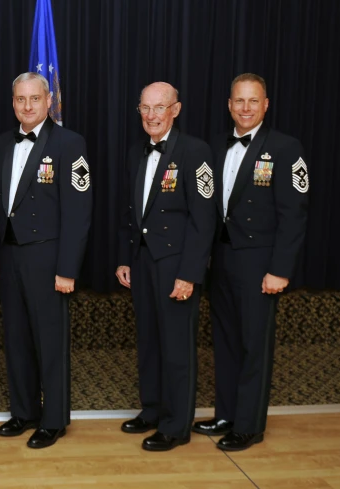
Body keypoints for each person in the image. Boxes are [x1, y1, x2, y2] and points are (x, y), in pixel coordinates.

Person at [193, 73, 309, 451]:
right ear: (229, 105)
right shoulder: (215, 146)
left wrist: (280, 269)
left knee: (253, 346)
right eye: (238, 101)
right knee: (225, 343)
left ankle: (249, 425)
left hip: (261, 264)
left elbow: (294, 215)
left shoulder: (286, 149)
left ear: (266, 105)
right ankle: (226, 413)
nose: (245, 108)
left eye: (253, 101)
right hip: (222, 260)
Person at [0, 72, 93, 449]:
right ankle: (24, 411)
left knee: (49, 341)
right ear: (13, 102)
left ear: (49, 101)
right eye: (20, 100)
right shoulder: (2, 143)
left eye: (34, 99)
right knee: (15, 339)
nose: (27, 106)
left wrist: (67, 269)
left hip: (49, 258)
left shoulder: (69, 143)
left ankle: (53, 419)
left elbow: (79, 213)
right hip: (11, 256)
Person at [116, 82, 215, 452]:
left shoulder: (195, 152)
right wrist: (124, 258)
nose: (152, 115)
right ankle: (153, 409)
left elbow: (203, 221)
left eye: (160, 107)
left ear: (176, 109)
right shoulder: (135, 152)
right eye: (145, 108)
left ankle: (176, 425)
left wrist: (189, 273)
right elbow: (128, 211)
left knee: (177, 347)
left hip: (176, 266)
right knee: (149, 343)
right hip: (142, 263)